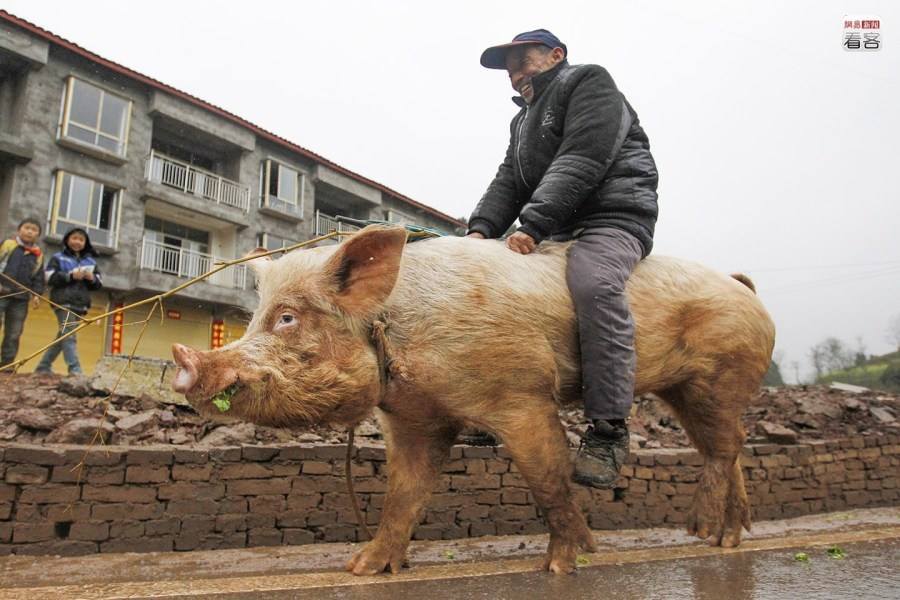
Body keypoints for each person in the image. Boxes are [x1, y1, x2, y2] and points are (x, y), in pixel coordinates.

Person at [467, 30, 659, 488]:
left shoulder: (589, 82)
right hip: (558, 224)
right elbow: (509, 180)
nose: (515, 75)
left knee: (594, 285)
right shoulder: (522, 122)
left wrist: (533, 225)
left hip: (613, 217)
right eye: (508, 70)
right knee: (492, 286)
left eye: (522, 62)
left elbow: (583, 157)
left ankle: (608, 430)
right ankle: (491, 409)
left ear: (556, 55)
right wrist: (480, 231)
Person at [35, 228, 102, 375]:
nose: (77, 242)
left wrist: (92, 278)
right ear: (67, 239)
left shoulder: (90, 262)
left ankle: (43, 366)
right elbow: (49, 277)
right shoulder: (58, 257)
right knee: (69, 335)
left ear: (85, 243)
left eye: (81, 239)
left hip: (80, 304)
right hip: (63, 302)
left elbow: (98, 283)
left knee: (64, 336)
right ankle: (75, 369)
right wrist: (70, 276)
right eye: (74, 238)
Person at [0, 218, 46, 369]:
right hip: (2, 293)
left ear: (38, 235)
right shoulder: (8, 244)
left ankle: (7, 364)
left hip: (21, 299)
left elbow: (38, 278)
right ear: (19, 229)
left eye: (34, 230)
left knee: (14, 332)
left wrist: (37, 295)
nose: (30, 232)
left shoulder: (38, 254)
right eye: (27, 228)